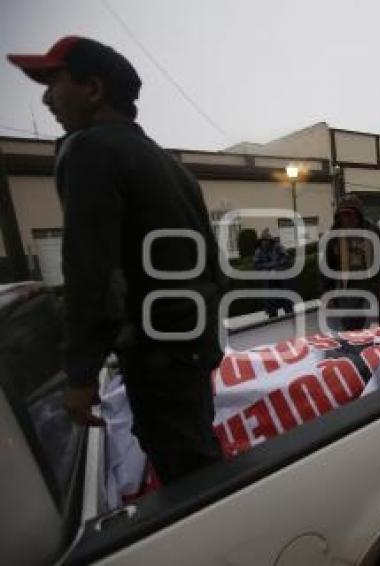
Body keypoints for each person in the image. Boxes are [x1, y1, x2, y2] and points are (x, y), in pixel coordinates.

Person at [8, 36, 224, 483]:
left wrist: (81, 372)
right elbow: (213, 267)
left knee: (190, 478)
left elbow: (90, 270)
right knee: (197, 455)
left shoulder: (89, 150)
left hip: (159, 357)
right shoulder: (172, 167)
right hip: (192, 349)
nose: (47, 98)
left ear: (93, 89)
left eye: (54, 82)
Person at [320, 195, 380, 329]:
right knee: (349, 329)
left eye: (350, 215)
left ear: (359, 215)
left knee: (374, 327)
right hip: (345, 290)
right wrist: (327, 294)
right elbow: (326, 267)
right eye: (343, 215)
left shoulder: (375, 233)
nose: (347, 219)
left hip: (372, 287)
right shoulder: (333, 236)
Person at [253, 228, 294, 318]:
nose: (265, 243)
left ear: (270, 241)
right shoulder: (258, 251)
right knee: (270, 297)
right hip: (268, 278)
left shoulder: (278, 247)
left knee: (285, 295)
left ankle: (289, 311)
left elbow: (286, 258)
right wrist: (269, 268)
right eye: (263, 241)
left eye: (267, 240)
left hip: (280, 275)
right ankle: (272, 313)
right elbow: (257, 265)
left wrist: (276, 268)